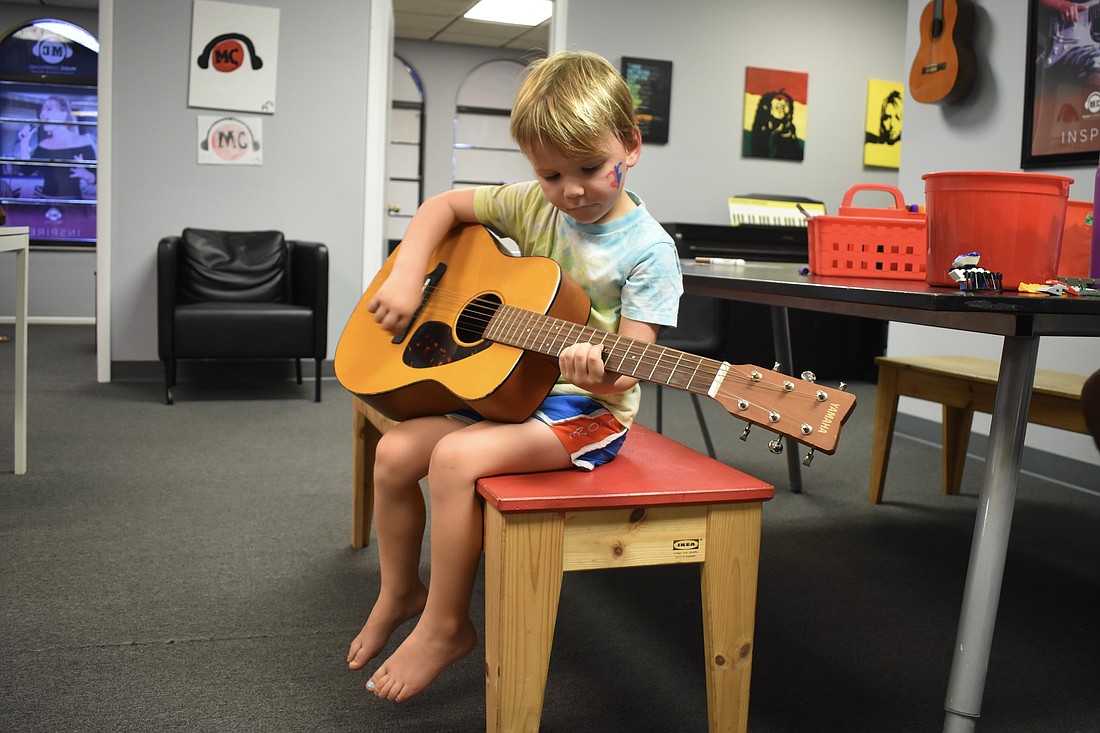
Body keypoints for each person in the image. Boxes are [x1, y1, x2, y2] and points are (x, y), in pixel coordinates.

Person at [346, 50, 683, 702]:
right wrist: (409, 273)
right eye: (550, 173)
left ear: (630, 146)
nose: (571, 189)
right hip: (505, 386)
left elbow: (630, 361)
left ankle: (446, 625)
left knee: (450, 460)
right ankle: (401, 588)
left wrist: (600, 370)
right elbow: (443, 208)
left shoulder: (649, 251)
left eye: (588, 168)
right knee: (392, 453)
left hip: (581, 412)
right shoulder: (533, 205)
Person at [13, 95, 96, 199]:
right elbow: (27, 170)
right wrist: (24, 142)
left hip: (73, 206)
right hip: (46, 203)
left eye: (49, 109)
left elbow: (96, 179)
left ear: (63, 114)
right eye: (42, 110)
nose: (42, 115)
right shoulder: (44, 145)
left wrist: (85, 174)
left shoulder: (83, 142)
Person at [749, 89, 803, 160]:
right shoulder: (761, 130)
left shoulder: (789, 134)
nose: (782, 102)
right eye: (778, 99)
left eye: (786, 103)